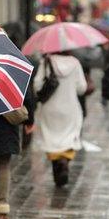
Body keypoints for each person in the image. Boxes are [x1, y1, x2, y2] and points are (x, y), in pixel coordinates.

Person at [33, 51, 87, 187]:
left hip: (49, 109)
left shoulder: (46, 62)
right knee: (68, 138)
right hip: (70, 108)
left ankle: (57, 165)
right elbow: (82, 88)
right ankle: (64, 162)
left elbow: (37, 85)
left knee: (52, 139)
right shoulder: (75, 63)